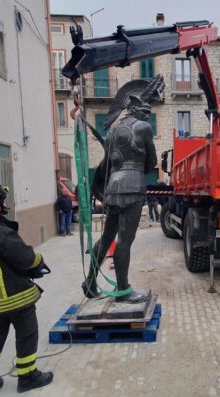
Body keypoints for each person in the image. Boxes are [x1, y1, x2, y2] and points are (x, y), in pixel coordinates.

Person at [0, 184, 53, 397]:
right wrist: (38, 261)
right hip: (16, 297)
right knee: (27, 335)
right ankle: (27, 377)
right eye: (2, 201)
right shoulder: (2, 233)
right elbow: (26, 258)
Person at [82, 94, 157, 303]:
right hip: (132, 188)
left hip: (112, 189)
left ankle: (90, 282)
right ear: (135, 110)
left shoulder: (112, 131)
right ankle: (123, 291)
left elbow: (107, 165)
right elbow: (151, 162)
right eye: (145, 113)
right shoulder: (143, 128)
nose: (147, 118)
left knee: (107, 238)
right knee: (124, 241)